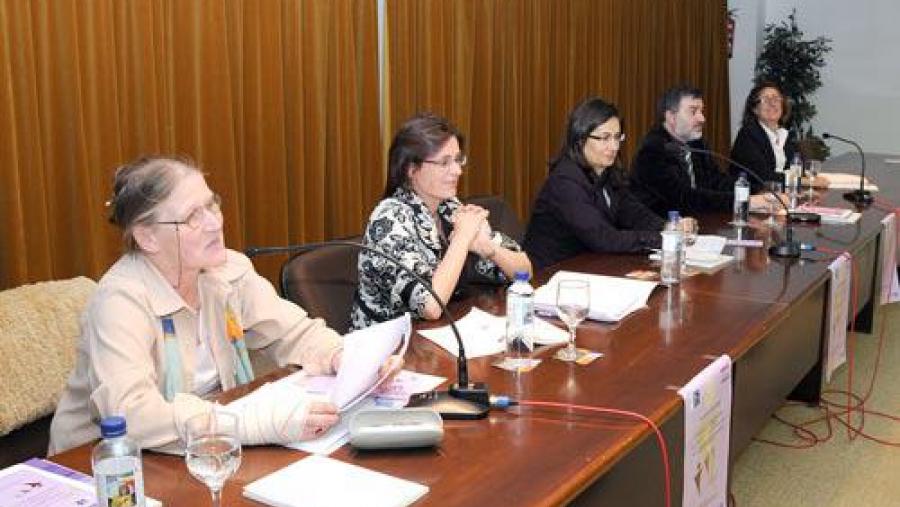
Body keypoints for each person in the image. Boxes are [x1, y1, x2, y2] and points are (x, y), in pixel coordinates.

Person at [49, 156, 401, 455]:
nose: (215, 222)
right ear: (147, 237)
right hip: (103, 467)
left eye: (212, 204)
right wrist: (248, 424)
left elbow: (294, 332)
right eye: (192, 217)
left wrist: (346, 359)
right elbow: (130, 415)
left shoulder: (227, 270)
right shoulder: (120, 301)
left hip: (202, 449)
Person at [351, 113, 532, 330]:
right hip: (388, 350)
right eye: (444, 162)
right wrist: (462, 239)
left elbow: (525, 272)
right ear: (411, 169)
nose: (457, 170)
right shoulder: (389, 220)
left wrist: (489, 248)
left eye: (457, 159)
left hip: (439, 334)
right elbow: (430, 306)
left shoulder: (449, 207)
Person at [523, 97, 666, 270]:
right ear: (580, 138)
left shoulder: (606, 172)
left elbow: (633, 212)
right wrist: (662, 239)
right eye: (604, 138)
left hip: (588, 267)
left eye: (617, 137)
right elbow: (604, 238)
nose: (614, 147)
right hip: (549, 276)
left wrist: (668, 227)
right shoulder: (565, 182)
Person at [630, 85, 768, 217]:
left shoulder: (696, 143)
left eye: (701, 111)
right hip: (664, 230)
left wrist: (760, 191)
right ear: (671, 117)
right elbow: (684, 198)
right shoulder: (652, 151)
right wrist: (744, 201)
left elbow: (716, 181)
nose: (702, 118)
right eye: (693, 111)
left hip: (700, 221)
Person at [730, 81, 806, 193]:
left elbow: (800, 167)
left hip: (782, 195)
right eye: (766, 100)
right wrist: (802, 181)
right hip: (755, 198)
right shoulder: (748, 134)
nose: (772, 104)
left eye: (776, 99)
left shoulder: (784, 135)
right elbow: (763, 176)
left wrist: (800, 179)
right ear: (755, 109)